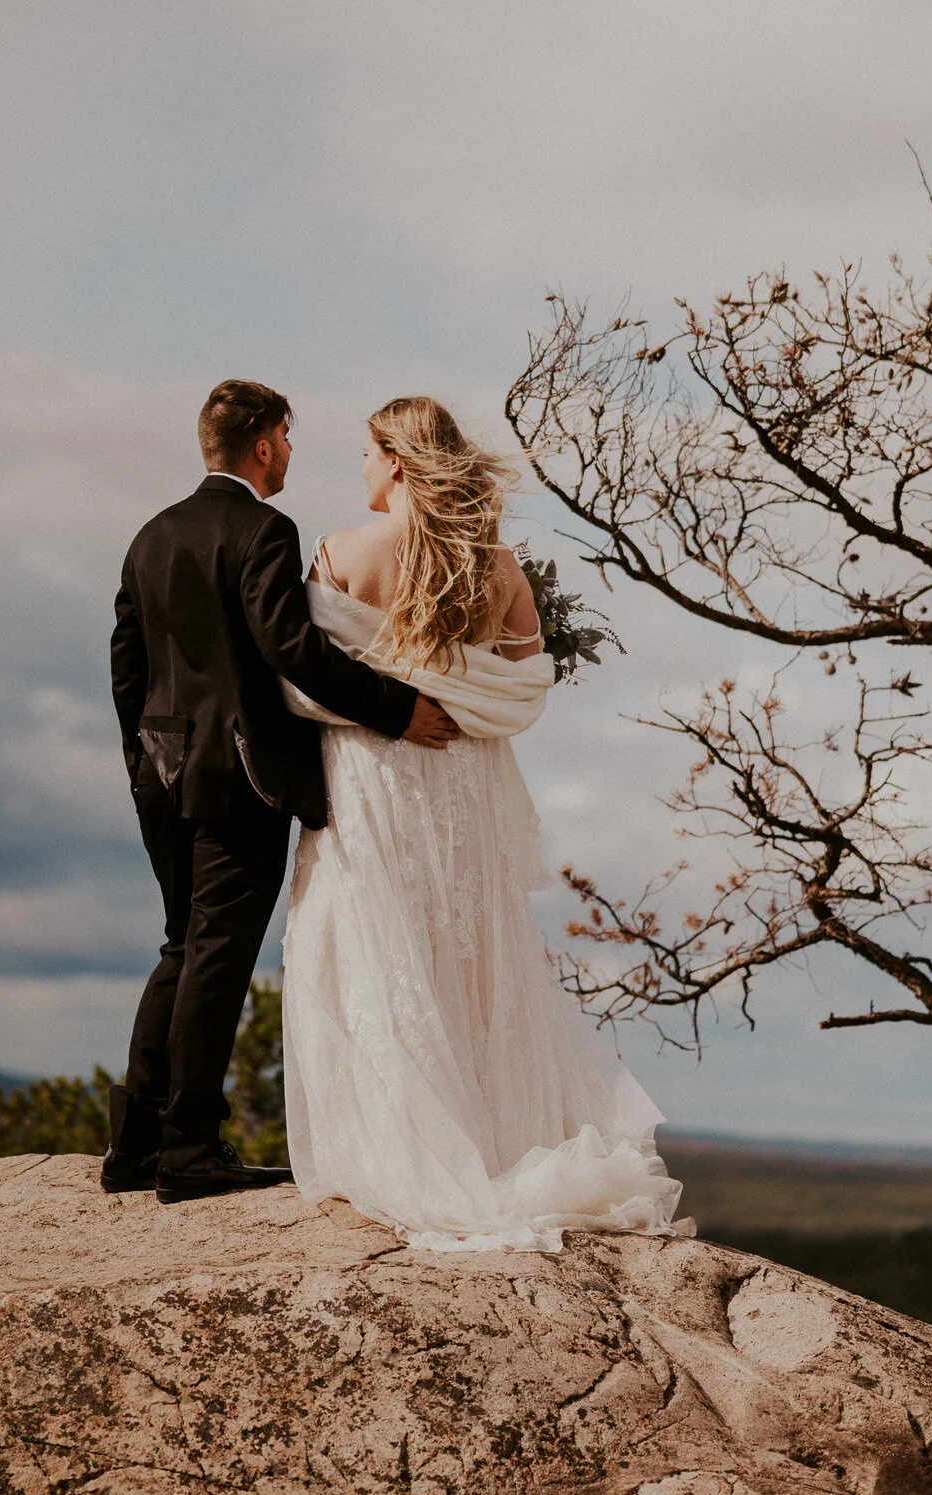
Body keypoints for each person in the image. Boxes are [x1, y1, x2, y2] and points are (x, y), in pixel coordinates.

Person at [281, 395, 692, 1251]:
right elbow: (523, 689)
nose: (357, 467)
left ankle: (397, 1156)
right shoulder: (495, 565)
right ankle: (490, 1144)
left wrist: (389, 703)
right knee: (470, 952)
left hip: (371, 775)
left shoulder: (336, 552)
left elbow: (300, 681)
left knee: (373, 943)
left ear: (395, 460)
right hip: (462, 776)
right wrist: (456, 700)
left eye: (364, 451)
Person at [106, 379, 460, 1205]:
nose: (295, 454)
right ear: (263, 444)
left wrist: (141, 759)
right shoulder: (263, 528)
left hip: (161, 775)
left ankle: (136, 1146)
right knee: (217, 955)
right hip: (243, 776)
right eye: (290, 439)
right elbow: (289, 646)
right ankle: (189, 1147)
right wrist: (397, 709)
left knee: (179, 946)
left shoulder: (150, 536)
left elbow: (126, 663)